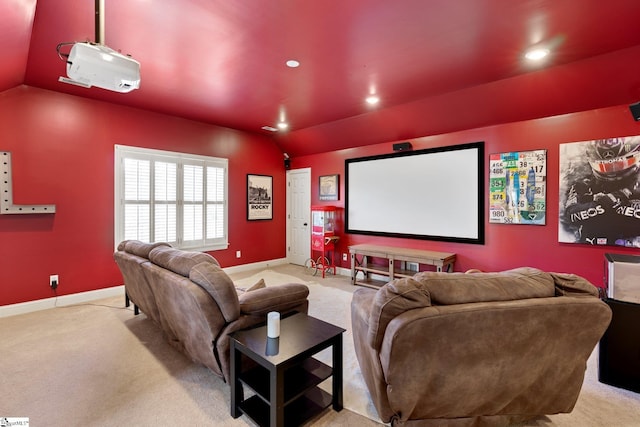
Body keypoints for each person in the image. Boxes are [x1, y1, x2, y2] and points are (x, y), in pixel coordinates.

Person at [563, 137, 640, 247]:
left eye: (619, 164)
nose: (612, 171)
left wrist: (619, 196)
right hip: (590, 248)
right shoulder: (583, 184)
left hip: (631, 250)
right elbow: (570, 215)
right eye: (605, 166)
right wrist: (603, 204)